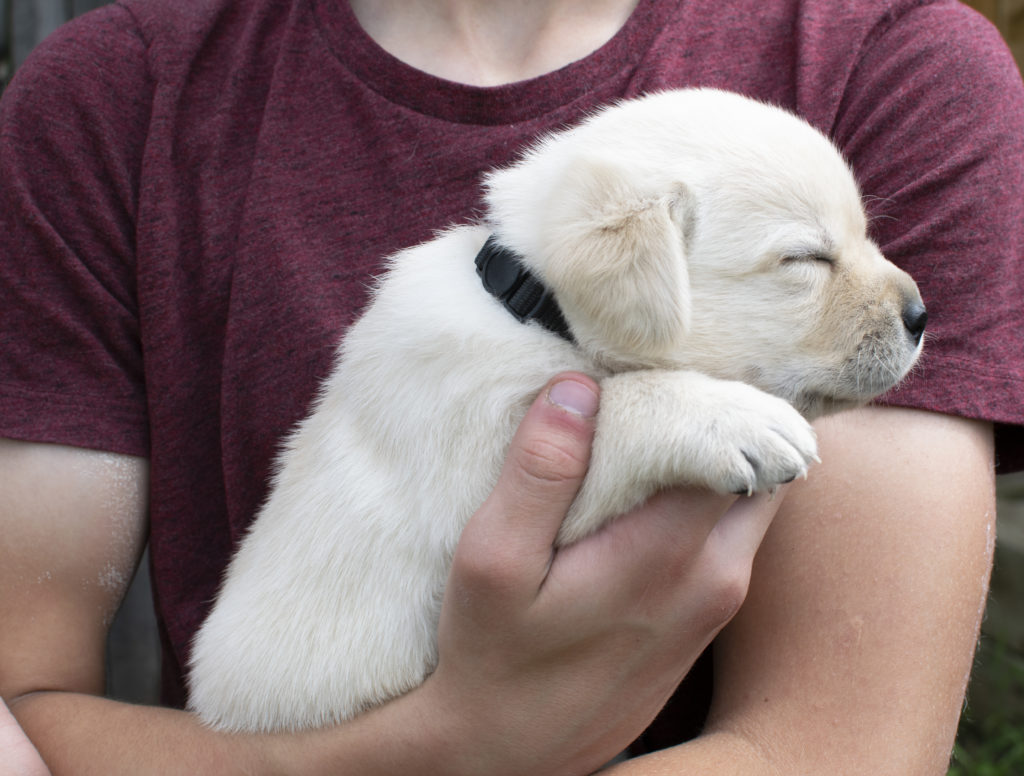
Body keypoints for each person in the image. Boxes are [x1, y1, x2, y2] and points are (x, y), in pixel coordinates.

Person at [0, 0, 1021, 773]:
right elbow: (25, 709)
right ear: (631, 268)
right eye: (806, 262)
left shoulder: (895, 64)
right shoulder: (117, 95)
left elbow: (836, 749)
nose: (893, 299)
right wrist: (456, 739)